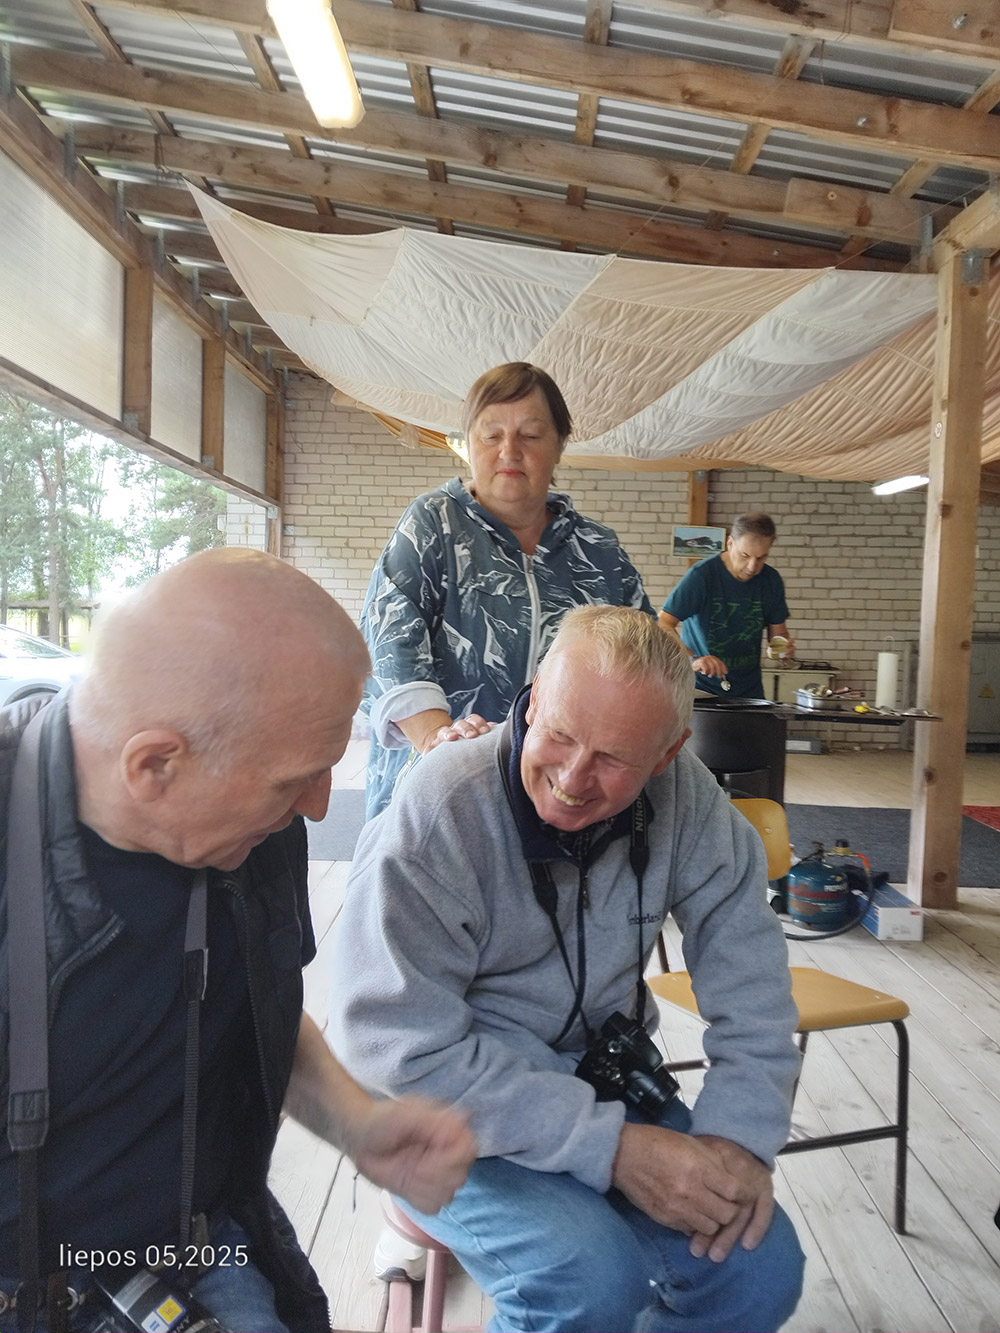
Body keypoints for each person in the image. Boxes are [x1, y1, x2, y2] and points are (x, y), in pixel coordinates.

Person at [0, 548, 476, 1333]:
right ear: (156, 763)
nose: (317, 807)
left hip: (199, 1249)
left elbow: (258, 1011)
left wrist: (359, 1125)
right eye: (295, 779)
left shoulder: (259, 831)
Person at [330, 605, 805, 1333]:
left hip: (593, 1080)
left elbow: (755, 990)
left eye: (614, 758)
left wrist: (736, 1141)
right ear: (532, 700)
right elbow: (394, 1046)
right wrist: (610, 1149)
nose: (573, 778)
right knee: (587, 1279)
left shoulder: (690, 802)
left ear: (668, 753)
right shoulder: (440, 809)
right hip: (439, 1106)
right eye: (558, 734)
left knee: (758, 1271)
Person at [360, 361, 653, 820]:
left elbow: (642, 660)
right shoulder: (433, 524)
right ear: (468, 443)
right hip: (442, 786)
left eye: (531, 435)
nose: (509, 451)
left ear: (559, 445)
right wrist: (440, 739)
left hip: (565, 789)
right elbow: (389, 643)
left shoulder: (599, 550)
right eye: (491, 435)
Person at [658, 513, 793, 699]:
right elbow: (663, 623)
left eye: (761, 558)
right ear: (730, 543)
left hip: (749, 692)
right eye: (745, 555)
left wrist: (783, 648)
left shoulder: (771, 580)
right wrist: (693, 659)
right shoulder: (702, 576)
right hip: (701, 689)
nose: (752, 567)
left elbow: (778, 633)